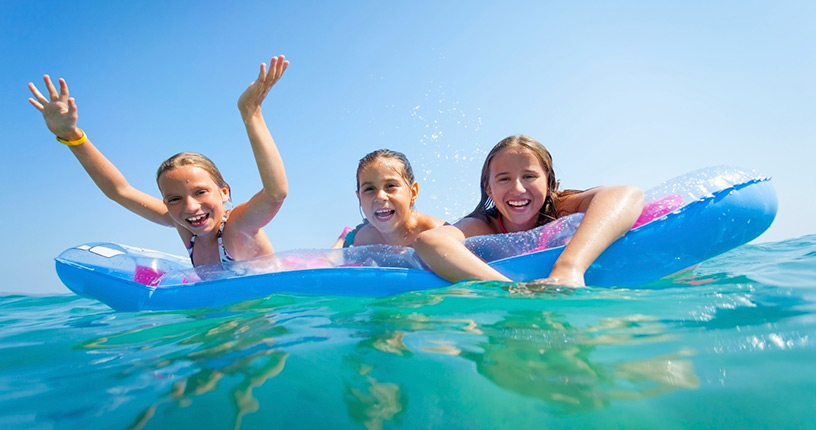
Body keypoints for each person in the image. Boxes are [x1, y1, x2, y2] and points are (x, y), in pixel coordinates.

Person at [28, 55, 290, 266]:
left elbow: (275, 193)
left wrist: (251, 113)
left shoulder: (239, 225)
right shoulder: (184, 227)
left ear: (224, 192)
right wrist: (71, 136)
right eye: (174, 199)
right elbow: (119, 190)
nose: (190, 207)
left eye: (200, 192)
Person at [414, 135, 644, 287]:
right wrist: (511, 291)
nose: (517, 188)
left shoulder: (561, 207)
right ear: (489, 189)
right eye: (504, 179)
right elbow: (429, 241)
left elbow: (628, 194)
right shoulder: (486, 224)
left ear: (548, 182)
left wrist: (569, 267)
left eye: (529, 176)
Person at [335, 149, 446, 248]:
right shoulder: (365, 239)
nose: (380, 196)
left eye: (391, 186)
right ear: (359, 198)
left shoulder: (435, 231)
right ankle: (344, 238)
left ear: (413, 192)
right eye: (369, 189)